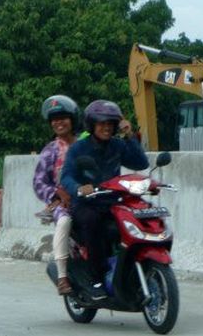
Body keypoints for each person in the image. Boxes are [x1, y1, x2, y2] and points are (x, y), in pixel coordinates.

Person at [60, 100, 149, 300]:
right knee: (93, 224)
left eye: (111, 123)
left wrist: (129, 136)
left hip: (112, 202)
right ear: (92, 125)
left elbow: (141, 163)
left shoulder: (118, 145)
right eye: (101, 123)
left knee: (134, 220)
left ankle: (128, 271)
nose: (107, 127)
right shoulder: (79, 148)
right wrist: (79, 188)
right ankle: (96, 278)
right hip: (87, 204)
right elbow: (66, 176)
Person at [32, 95, 79, 295]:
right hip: (64, 204)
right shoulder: (50, 151)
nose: (58, 122)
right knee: (64, 222)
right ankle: (62, 277)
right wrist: (55, 192)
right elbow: (38, 182)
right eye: (54, 119)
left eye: (63, 117)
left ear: (72, 119)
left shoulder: (86, 143)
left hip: (92, 199)